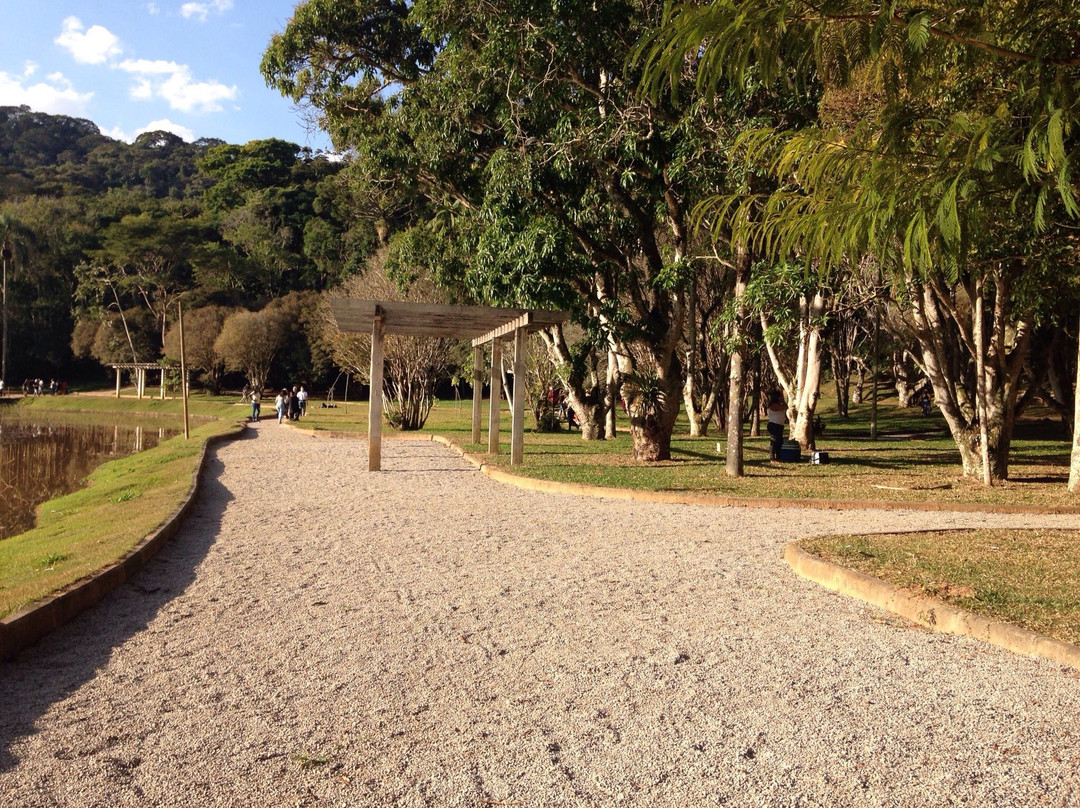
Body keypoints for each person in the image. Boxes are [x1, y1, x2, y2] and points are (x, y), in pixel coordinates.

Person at [767, 390, 787, 461]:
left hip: (780, 425)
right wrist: (782, 401)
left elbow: (785, 406)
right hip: (774, 425)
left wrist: (782, 401)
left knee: (779, 441)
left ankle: (778, 457)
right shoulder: (773, 405)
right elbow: (782, 408)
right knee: (774, 441)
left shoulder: (780, 404)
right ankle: (772, 457)